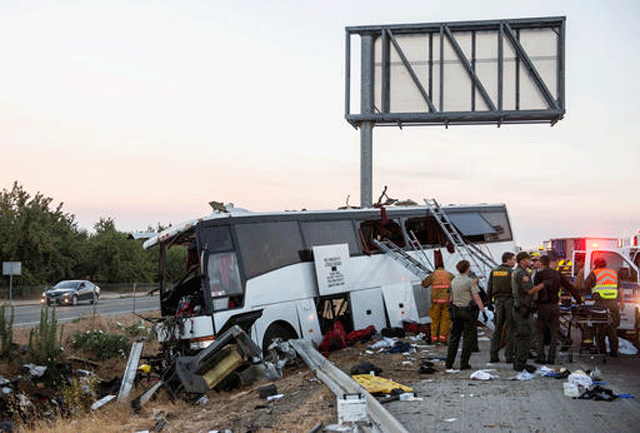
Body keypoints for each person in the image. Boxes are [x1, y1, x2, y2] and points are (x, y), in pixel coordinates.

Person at [528, 255, 582, 364]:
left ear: (542, 263)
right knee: (554, 333)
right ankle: (551, 358)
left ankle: (540, 357)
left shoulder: (539, 274)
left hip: (543, 306)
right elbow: (570, 287)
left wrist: (532, 306)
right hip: (555, 306)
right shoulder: (558, 274)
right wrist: (579, 300)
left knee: (540, 333)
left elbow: (535, 292)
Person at [445, 260, 488, 372]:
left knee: (454, 338)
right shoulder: (470, 281)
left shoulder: (453, 281)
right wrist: (483, 311)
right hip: (467, 312)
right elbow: (476, 297)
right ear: (468, 268)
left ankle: (449, 363)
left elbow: (451, 298)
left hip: (456, 312)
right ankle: (464, 363)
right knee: (467, 338)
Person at [585, 258, 624, 357]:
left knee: (599, 327)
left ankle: (601, 351)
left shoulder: (595, 273)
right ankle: (614, 352)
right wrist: (622, 302)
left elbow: (585, 285)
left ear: (595, 265)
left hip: (600, 304)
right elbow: (620, 288)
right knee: (612, 328)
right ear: (605, 264)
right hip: (613, 304)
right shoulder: (613, 273)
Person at [487, 252, 516, 363]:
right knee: (510, 329)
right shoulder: (511, 272)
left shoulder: (494, 272)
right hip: (510, 301)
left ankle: (493, 355)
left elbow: (489, 288)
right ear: (508, 260)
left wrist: (489, 302)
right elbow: (515, 289)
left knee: (497, 329)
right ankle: (509, 356)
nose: (514, 262)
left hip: (498, 302)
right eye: (513, 259)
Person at [421, 253, 455, 345]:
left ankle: (434, 339)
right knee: (445, 320)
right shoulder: (450, 275)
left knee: (435, 320)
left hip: (435, 302)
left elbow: (424, 285)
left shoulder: (433, 275)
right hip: (447, 301)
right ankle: (443, 339)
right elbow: (455, 285)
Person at [512, 251, 536, 372]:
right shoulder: (522, 274)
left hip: (519, 307)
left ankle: (518, 361)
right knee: (525, 335)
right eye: (527, 259)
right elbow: (529, 290)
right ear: (522, 260)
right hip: (523, 308)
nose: (530, 261)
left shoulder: (517, 272)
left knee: (521, 335)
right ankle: (520, 363)